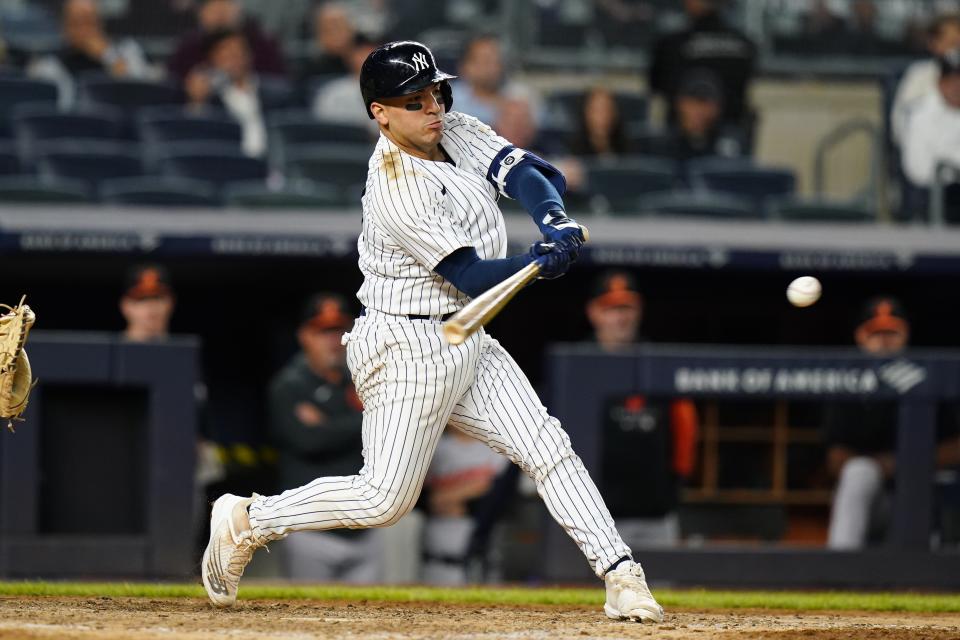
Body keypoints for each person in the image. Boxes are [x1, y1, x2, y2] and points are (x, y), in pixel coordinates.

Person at [200, 40, 663, 624]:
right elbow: (468, 273)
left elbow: (525, 172)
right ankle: (248, 519)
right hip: (405, 345)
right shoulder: (395, 185)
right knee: (383, 500)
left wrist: (553, 219)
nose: (432, 107)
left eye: (435, 93)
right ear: (381, 112)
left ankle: (621, 574)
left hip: (465, 338)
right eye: (415, 100)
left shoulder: (451, 127)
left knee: (547, 447)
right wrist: (536, 261)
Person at [824, 296, 960, 549]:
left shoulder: (926, 376)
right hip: (874, 500)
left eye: (892, 332)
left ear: (905, 336)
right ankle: (840, 567)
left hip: (922, 494)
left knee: (924, 479)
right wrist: (879, 466)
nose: (884, 340)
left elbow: (955, 448)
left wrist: (904, 463)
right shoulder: (849, 386)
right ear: (861, 338)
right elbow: (835, 460)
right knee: (859, 472)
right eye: (876, 333)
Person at [268, 293, 382, 583]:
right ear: (305, 335)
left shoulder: (364, 377)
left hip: (364, 530)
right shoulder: (290, 385)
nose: (334, 340)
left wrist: (331, 425)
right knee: (306, 620)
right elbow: (308, 440)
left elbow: (389, 428)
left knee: (370, 621)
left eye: (339, 330)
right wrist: (368, 418)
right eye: (323, 331)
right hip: (311, 531)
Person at [586, 271, 698, 547]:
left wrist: (673, 490)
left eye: (626, 308)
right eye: (611, 309)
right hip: (596, 517)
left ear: (638, 311)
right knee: (593, 591)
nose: (620, 317)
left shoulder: (658, 364)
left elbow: (686, 432)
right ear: (594, 313)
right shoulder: (578, 365)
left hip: (656, 515)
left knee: (659, 590)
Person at [421, 428, 510, 585]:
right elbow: (427, 498)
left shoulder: (494, 447)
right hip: (435, 541)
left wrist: (449, 498)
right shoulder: (435, 447)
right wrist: (464, 493)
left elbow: (495, 491)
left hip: (478, 535)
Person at [648, 0, 756, 128]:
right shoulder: (745, 44)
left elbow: (655, 87)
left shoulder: (671, 44)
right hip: (731, 135)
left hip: (680, 137)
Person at [184, 29, 268, 157]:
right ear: (213, 59)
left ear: (249, 56)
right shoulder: (210, 99)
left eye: (238, 53)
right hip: (229, 163)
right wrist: (197, 101)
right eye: (227, 55)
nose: (234, 59)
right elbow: (195, 136)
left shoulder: (273, 92)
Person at [167, 0, 286, 83]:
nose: (220, 13)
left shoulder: (262, 44)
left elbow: (279, 84)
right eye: (213, 6)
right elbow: (174, 84)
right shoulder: (188, 48)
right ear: (201, 13)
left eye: (225, 4)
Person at [892, 13, 960, 146]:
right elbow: (901, 126)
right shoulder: (918, 75)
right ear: (933, 43)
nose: (955, 51)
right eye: (951, 43)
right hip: (925, 152)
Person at [448, 34, 540, 127]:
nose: (492, 67)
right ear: (465, 66)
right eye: (485, 61)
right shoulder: (448, 100)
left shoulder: (522, 96)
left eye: (496, 61)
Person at [901, 48, 960, 190]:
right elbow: (918, 171)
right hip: (940, 196)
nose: (958, 87)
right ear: (940, 82)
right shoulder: (920, 114)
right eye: (953, 81)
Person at [119, 263, 176, 342]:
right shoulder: (105, 351)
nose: (151, 305)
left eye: (157, 298)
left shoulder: (186, 352)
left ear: (171, 303)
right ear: (125, 305)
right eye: (142, 299)